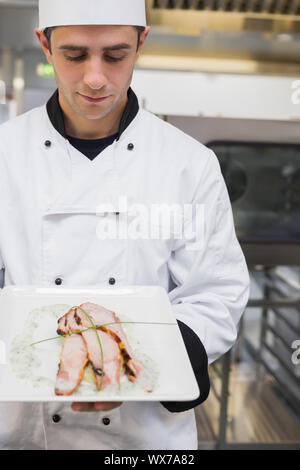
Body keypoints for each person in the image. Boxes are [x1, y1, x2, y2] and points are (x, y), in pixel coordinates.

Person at [0, 0, 249, 450]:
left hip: (144, 436)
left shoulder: (188, 163)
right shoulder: (5, 155)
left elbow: (216, 293)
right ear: (45, 45)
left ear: (141, 43)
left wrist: (140, 359)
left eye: (115, 56)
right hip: (24, 430)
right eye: (75, 55)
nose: (95, 78)